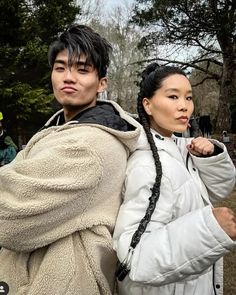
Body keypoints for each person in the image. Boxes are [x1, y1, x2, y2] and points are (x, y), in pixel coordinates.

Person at [0, 24, 141, 295]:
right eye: (61, 67)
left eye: (82, 69)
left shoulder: (88, 147)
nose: (69, 77)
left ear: (102, 84)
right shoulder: (59, 129)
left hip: (56, 282)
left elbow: (9, 215)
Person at [113, 63, 236, 295]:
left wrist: (211, 157)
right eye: (173, 96)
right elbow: (135, 258)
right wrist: (209, 230)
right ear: (147, 105)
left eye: (188, 98)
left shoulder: (178, 147)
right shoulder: (149, 166)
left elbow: (218, 190)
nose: (184, 107)